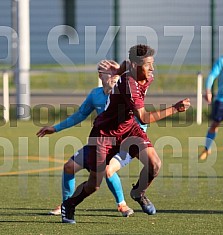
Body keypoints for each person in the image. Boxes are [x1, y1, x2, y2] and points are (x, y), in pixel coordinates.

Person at [60, 44, 191, 224]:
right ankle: (69, 204)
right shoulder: (129, 84)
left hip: (128, 129)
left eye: (153, 63)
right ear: (137, 67)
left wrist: (118, 69)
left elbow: (126, 63)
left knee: (155, 164)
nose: (152, 68)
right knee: (94, 185)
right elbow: (144, 118)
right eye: (148, 65)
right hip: (104, 135)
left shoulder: (140, 72)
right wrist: (175, 108)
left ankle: (138, 193)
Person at [36, 60, 146, 217]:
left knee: (108, 170)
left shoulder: (125, 94)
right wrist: (55, 128)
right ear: (101, 76)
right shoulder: (95, 95)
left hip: (121, 143)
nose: (115, 76)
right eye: (111, 73)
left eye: (117, 72)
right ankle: (66, 205)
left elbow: (141, 118)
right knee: (69, 167)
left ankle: (122, 204)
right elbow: (80, 115)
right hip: (100, 142)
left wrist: (139, 138)